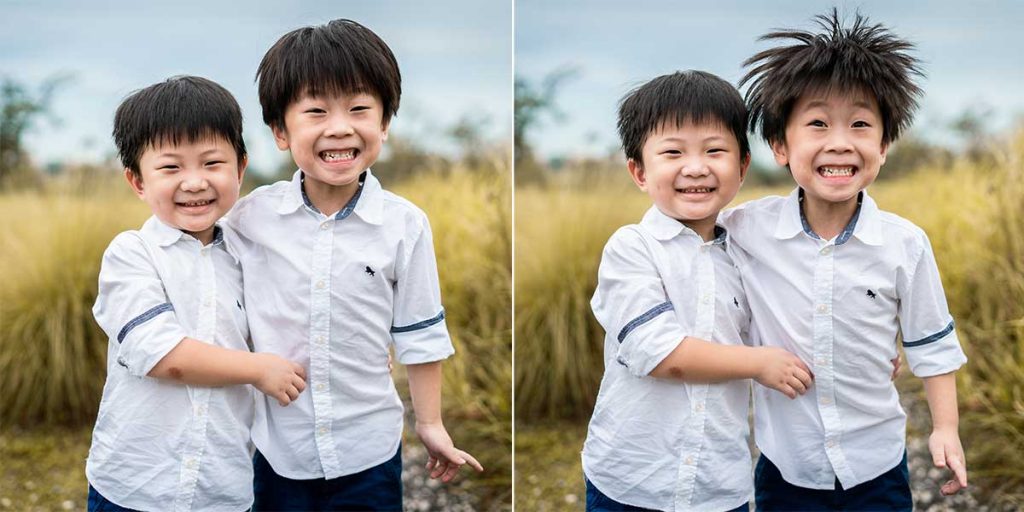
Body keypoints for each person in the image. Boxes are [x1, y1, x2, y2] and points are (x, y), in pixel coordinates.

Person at [224, 19, 482, 511]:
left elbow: (420, 331)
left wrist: (429, 424)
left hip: (369, 447)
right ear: (280, 130)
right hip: (277, 450)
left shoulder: (404, 225)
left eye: (360, 109)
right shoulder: (249, 218)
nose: (339, 127)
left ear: (384, 123)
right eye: (316, 110)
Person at [720, 9, 969, 510]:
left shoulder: (905, 243)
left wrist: (945, 428)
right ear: (779, 146)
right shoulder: (744, 230)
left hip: (876, 462)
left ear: (883, 144)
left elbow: (932, 344)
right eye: (816, 123)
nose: (839, 141)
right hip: (787, 466)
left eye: (860, 124)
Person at [582, 70, 815, 512]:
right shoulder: (633, 248)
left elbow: (783, 320)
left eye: (715, 150)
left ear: (742, 166)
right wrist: (758, 363)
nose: (695, 167)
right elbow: (659, 355)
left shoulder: (748, 253)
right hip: (632, 480)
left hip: (718, 483)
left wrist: (854, 350)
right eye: (672, 152)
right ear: (639, 171)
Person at [88, 75, 307, 511]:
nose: (194, 182)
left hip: (221, 488)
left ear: (240, 168)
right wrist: (257, 368)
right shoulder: (133, 254)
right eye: (170, 167)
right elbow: (162, 356)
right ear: (137, 181)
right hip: (136, 487)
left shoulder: (250, 256)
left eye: (212, 163)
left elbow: (291, 321)